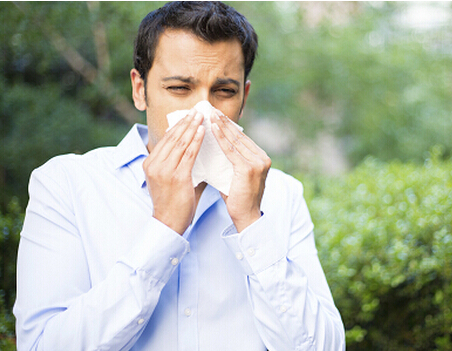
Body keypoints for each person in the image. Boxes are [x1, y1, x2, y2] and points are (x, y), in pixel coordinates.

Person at [13, 2, 345, 350]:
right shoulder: (66, 184)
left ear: (243, 97)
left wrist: (251, 223)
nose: (203, 112)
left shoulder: (281, 194)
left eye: (224, 91)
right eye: (179, 89)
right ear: (140, 89)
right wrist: (164, 229)